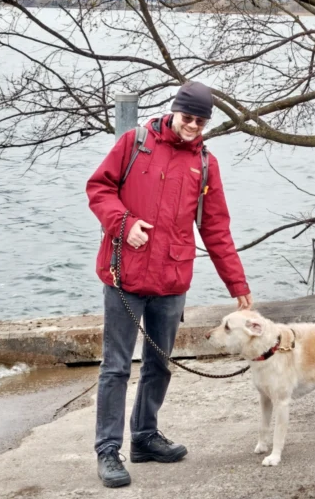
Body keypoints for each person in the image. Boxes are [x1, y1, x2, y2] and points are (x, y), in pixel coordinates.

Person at [86, 80, 253, 488]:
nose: (193, 125)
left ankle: (144, 437)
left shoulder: (207, 164)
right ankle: (109, 450)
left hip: (172, 280)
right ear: (173, 112)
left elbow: (215, 228)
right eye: (187, 117)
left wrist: (238, 285)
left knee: (159, 364)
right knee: (116, 367)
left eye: (200, 120)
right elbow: (98, 188)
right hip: (124, 275)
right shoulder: (134, 142)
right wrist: (124, 225)